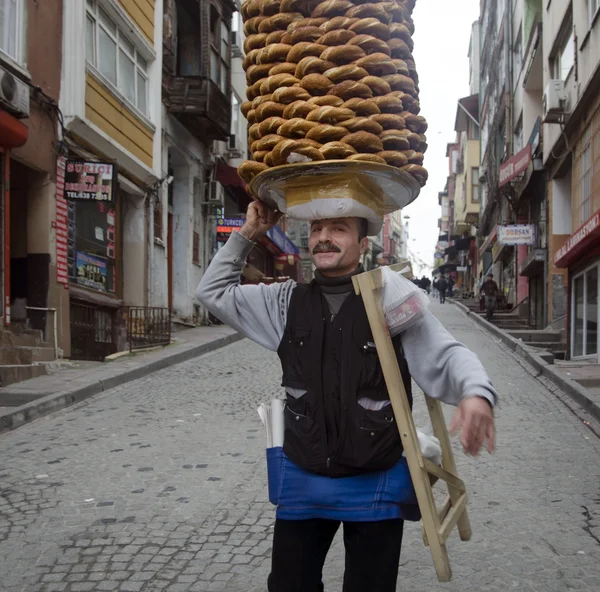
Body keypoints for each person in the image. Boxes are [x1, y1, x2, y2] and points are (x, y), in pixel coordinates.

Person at [196, 201, 497, 592]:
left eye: (338, 228)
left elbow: (447, 352)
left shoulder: (392, 301)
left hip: (377, 481)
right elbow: (212, 292)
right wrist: (249, 232)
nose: (323, 237)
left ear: (362, 241)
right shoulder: (283, 303)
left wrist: (475, 392)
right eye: (318, 227)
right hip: (303, 479)